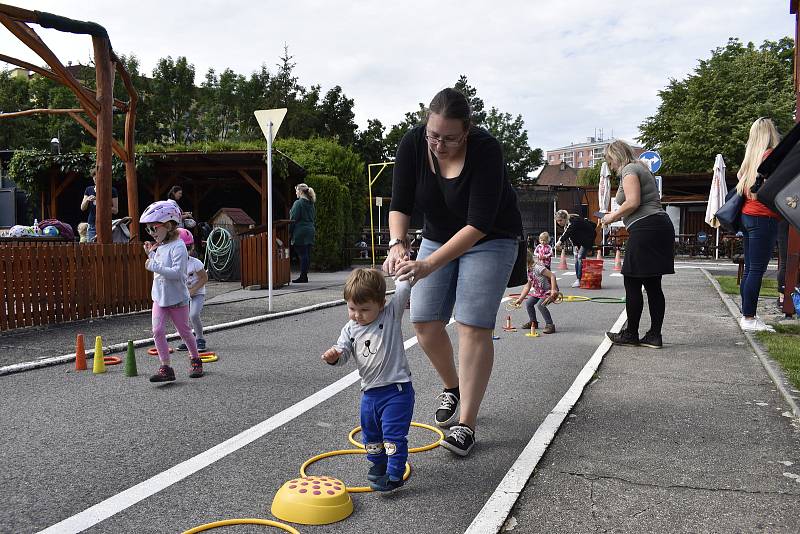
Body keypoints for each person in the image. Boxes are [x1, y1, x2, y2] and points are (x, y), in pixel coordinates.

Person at [384, 87, 523, 457]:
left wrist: (429, 264)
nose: (439, 145)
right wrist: (398, 244)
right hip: (438, 234)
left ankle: (466, 423)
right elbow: (399, 204)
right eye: (433, 135)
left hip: (490, 236)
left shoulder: (486, 149)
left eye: (449, 138)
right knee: (425, 321)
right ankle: (453, 386)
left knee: (472, 324)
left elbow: (478, 223)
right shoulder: (414, 144)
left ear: (467, 130)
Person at [321, 269, 413, 491]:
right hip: (369, 394)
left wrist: (400, 266)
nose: (357, 315)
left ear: (380, 304)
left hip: (397, 391)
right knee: (371, 434)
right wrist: (334, 357)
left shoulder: (390, 315)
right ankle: (378, 464)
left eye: (364, 309)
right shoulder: (350, 329)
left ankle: (394, 474)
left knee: (392, 435)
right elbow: (343, 353)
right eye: (352, 308)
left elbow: (402, 289)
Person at [601, 140, 675, 348]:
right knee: (653, 285)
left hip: (646, 229)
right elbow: (637, 203)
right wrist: (616, 216)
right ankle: (654, 335)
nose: (611, 165)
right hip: (659, 226)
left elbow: (632, 202)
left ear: (616, 156)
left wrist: (611, 217)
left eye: (610, 160)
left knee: (632, 282)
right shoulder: (642, 168)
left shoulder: (629, 169)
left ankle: (631, 334)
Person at [140, 201, 204, 382]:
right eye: (148, 230)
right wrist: (151, 255)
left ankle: (196, 359)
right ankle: (166, 367)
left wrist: (153, 265)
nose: (151, 233)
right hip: (159, 299)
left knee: (184, 332)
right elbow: (161, 267)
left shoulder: (179, 247)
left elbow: (177, 273)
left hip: (177, 299)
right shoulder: (160, 246)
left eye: (154, 228)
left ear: (168, 225)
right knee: (157, 331)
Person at [735, 117, 781, 331]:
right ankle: (749, 318)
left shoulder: (750, 159)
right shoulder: (770, 157)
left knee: (749, 270)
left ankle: (747, 315)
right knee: (756, 270)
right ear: (771, 133)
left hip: (747, 216)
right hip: (764, 217)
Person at [176, 228, 209, 352]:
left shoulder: (196, 263)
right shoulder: (174, 264)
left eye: (188, 248)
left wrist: (193, 291)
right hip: (183, 295)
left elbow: (204, 278)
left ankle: (200, 339)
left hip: (197, 293)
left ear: (192, 248)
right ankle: (188, 340)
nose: (186, 252)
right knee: (182, 319)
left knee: (194, 315)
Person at [513, 249, 559, 333]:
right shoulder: (528, 271)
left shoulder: (538, 268)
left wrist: (553, 290)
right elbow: (527, 287)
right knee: (529, 303)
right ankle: (533, 322)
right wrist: (520, 299)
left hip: (548, 291)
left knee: (541, 305)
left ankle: (550, 325)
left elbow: (552, 276)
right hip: (539, 292)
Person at [554, 210, 595, 287]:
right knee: (576, 257)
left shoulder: (573, 221)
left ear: (565, 218)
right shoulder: (568, 224)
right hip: (580, 239)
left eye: (560, 220)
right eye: (557, 221)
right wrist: (575, 245)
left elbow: (568, 232)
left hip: (588, 238)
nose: (559, 223)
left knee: (580, 257)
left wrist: (559, 242)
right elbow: (572, 236)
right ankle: (580, 278)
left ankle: (579, 279)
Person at [80, 168, 118, 242]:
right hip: (91, 224)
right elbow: (82, 208)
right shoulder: (89, 190)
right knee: (91, 249)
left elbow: (115, 210)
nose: (97, 180)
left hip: (106, 224)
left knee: (105, 247)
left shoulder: (112, 190)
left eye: (98, 178)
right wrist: (87, 200)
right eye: (95, 178)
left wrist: (99, 202)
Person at [289, 183, 316, 283]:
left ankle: (303, 276)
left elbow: (293, 219)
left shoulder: (298, 203)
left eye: (296, 190)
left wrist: (289, 232)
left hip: (300, 231)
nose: (295, 192)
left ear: (300, 191)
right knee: (306, 254)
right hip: (310, 230)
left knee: (302, 254)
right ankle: (304, 275)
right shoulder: (311, 203)